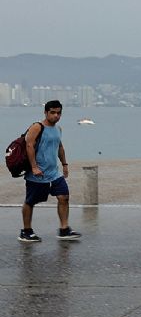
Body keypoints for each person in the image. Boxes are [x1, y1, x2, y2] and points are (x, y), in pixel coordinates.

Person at [19, 100, 81, 243]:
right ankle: (26, 231)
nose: (56, 115)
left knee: (64, 197)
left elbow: (60, 147)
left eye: (59, 113)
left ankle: (64, 229)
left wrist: (64, 164)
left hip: (54, 173)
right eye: (52, 112)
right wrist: (34, 167)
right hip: (38, 174)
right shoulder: (37, 127)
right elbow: (29, 146)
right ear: (46, 112)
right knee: (30, 201)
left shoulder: (58, 129)